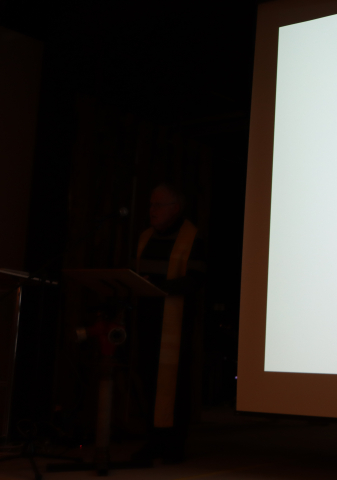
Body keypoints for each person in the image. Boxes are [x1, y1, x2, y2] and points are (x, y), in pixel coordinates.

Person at [132, 184, 205, 463]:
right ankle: (153, 441)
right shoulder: (145, 237)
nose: (152, 210)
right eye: (151, 205)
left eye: (158, 205)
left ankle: (174, 445)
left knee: (175, 384)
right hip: (147, 320)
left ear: (175, 208)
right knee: (149, 380)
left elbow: (197, 280)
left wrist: (159, 287)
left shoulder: (193, 238)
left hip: (176, 323)